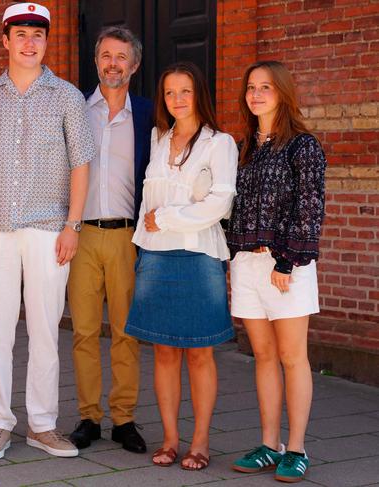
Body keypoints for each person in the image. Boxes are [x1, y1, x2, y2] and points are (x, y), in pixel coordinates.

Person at [0, 2, 94, 460]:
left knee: (44, 329)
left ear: (46, 42)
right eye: (20, 34)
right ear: (5, 41)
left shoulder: (67, 97)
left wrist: (72, 226)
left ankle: (42, 425)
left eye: (38, 35)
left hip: (48, 228)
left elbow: (82, 164)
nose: (29, 43)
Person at [125, 61, 237, 470]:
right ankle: (170, 439)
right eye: (170, 92)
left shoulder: (219, 143)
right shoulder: (158, 138)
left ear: (199, 94)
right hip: (155, 257)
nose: (177, 99)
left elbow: (220, 204)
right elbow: (147, 201)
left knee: (200, 355)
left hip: (198, 257)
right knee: (165, 353)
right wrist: (149, 235)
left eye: (185, 91)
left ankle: (201, 442)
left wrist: (168, 218)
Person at [227, 61, 327, 484]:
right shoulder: (244, 145)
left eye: (265, 87)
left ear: (282, 92)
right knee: (263, 356)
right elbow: (233, 209)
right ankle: (270, 444)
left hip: (287, 264)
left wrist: (287, 262)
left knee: (292, 357)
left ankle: (297, 448)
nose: (257, 94)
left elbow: (310, 209)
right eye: (251, 87)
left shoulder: (303, 146)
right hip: (247, 264)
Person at [67, 26, 153, 453]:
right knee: (83, 331)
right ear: (96, 61)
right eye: (105, 55)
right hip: (81, 235)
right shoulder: (75, 109)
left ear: (134, 64)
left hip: (126, 237)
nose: (112, 64)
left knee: (125, 331)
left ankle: (124, 418)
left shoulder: (149, 114)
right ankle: (88, 417)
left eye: (121, 57)